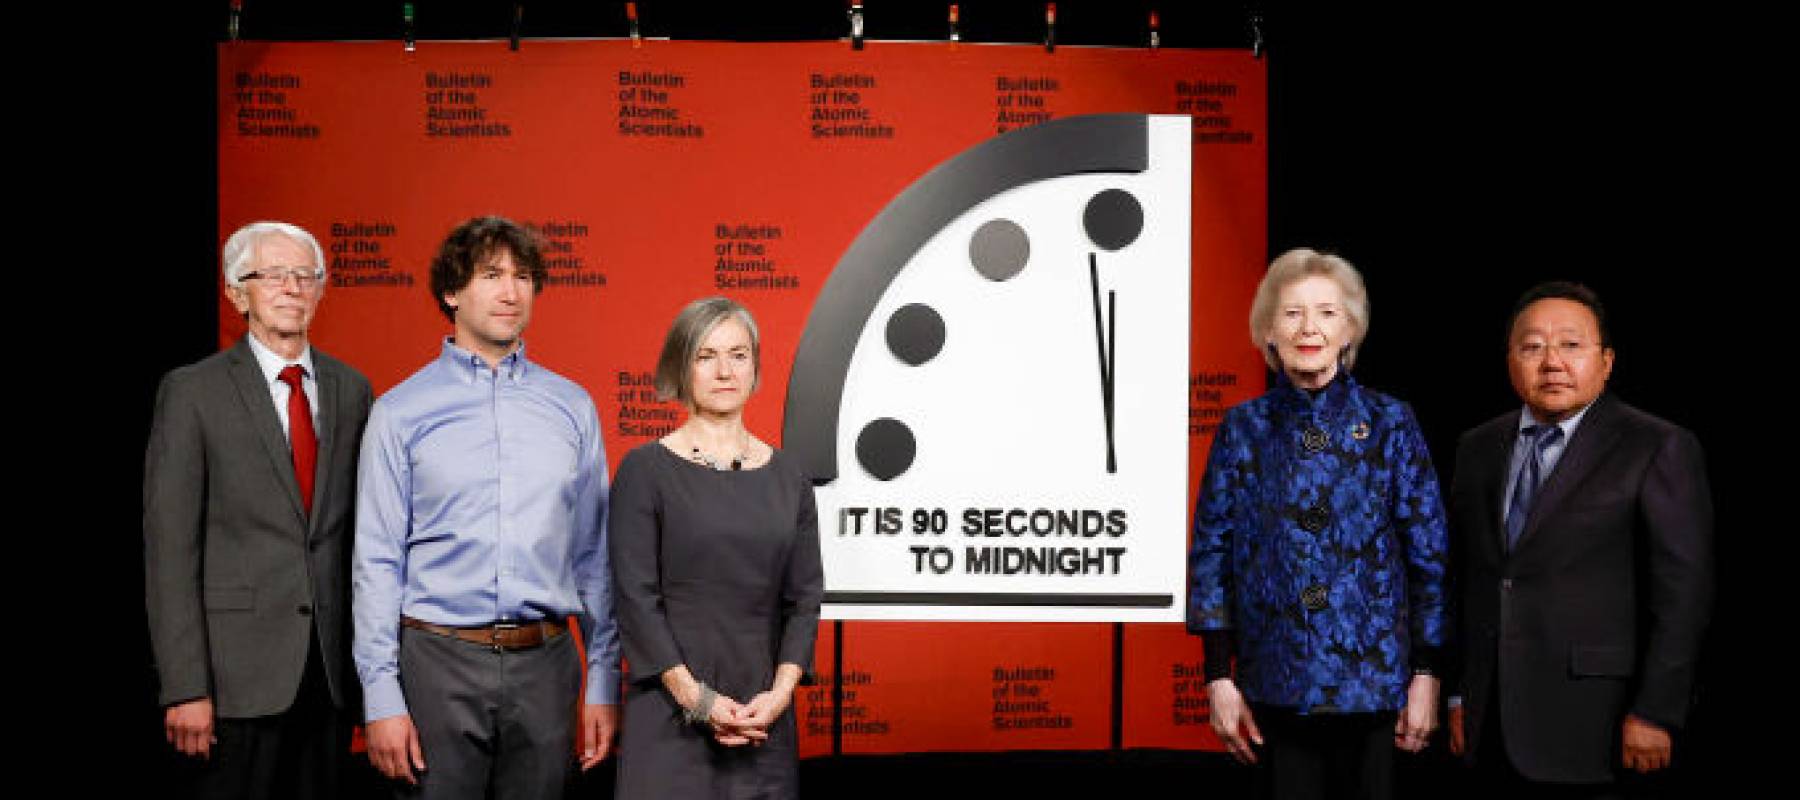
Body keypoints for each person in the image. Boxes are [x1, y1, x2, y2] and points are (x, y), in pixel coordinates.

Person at [352, 216, 619, 797]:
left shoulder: (573, 407)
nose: (511, 291)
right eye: (492, 275)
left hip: (547, 665)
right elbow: (375, 562)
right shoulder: (400, 412)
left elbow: (594, 557)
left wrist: (602, 680)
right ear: (451, 292)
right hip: (435, 663)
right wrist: (381, 696)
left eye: (524, 277)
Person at [1187, 248, 1448, 800]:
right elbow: (1211, 553)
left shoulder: (1390, 423)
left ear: (1350, 327)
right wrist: (1217, 677)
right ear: (1268, 330)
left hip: (1376, 686)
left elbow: (1429, 555)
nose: (1310, 329)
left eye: (1327, 312)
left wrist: (1427, 672)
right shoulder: (1243, 428)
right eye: (1292, 313)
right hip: (1272, 684)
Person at [1446, 281, 1713, 798]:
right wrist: (1462, 696)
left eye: (1571, 345)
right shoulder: (1477, 447)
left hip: (1600, 722)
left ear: (1606, 361)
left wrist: (1656, 710)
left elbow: (1684, 595)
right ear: (1509, 360)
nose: (1551, 362)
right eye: (1533, 347)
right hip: (1490, 720)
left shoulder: (1656, 446)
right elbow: (1469, 579)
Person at [144, 221, 373, 798]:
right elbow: (171, 551)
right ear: (236, 291)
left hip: (330, 677)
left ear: (320, 290)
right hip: (232, 682)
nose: (291, 287)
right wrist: (184, 686)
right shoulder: (193, 392)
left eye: (305, 276)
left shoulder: (354, 390)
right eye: (272, 274)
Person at [609, 296, 824, 799]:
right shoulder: (645, 471)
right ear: (681, 369)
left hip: (761, 719)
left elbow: (804, 599)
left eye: (739, 354)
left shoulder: (790, 478)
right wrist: (698, 700)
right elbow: (636, 601)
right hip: (670, 716)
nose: (725, 370)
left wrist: (778, 697)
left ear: (756, 366)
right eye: (706, 356)